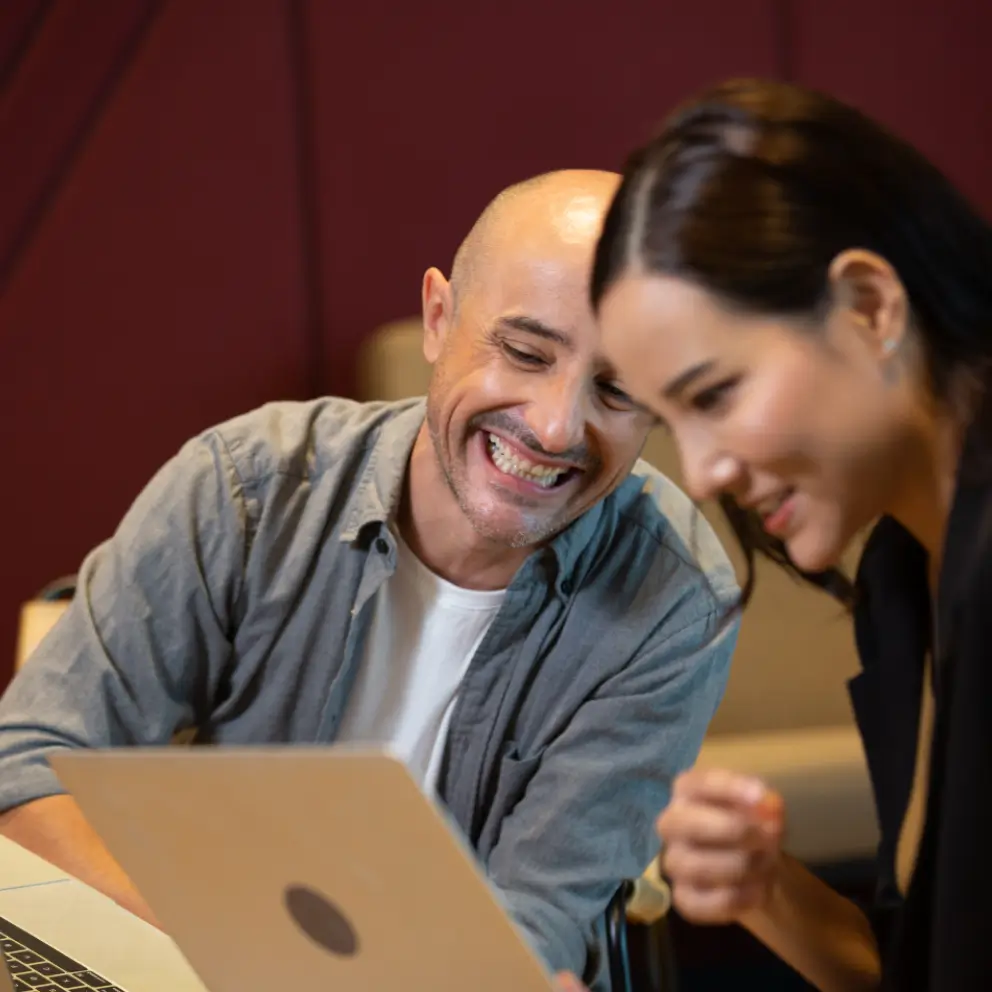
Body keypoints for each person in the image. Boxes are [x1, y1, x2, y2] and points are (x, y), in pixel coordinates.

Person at [0, 170, 738, 989]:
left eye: (618, 389)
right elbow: (28, 760)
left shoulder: (675, 599)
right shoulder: (247, 487)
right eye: (525, 353)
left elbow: (536, 924)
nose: (558, 425)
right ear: (438, 318)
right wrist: (232, 956)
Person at [591, 77, 992, 991]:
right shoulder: (900, 573)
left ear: (868, 305)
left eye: (716, 395)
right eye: (668, 422)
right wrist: (763, 888)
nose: (702, 473)